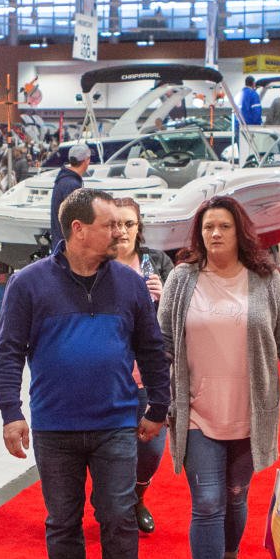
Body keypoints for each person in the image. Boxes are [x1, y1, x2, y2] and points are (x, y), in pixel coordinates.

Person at [0, 188, 169, 559]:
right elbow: (8, 352)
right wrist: (11, 413)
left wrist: (159, 406)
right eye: (110, 225)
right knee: (63, 523)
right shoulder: (29, 284)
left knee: (117, 517)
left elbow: (152, 348)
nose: (120, 233)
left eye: (121, 225)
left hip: (116, 422)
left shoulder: (130, 284)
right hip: (55, 428)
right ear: (78, 229)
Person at [158, 196, 280, 559]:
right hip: (196, 413)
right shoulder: (182, 279)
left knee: (235, 495)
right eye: (208, 227)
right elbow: (162, 341)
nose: (215, 234)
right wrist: (152, 398)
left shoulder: (266, 280)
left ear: (239, 231)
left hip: (251, 413)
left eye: (224, 226)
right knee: (207, 500)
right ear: (199, 233)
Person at [111, 197, 172, 534]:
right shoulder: (94, 264)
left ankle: (137, 499)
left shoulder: (158, 263)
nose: (121, 231)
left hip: (149, 377)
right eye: (115, 223)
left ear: (139, 227)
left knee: (150, 450)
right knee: (110, 452)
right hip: (105, 378)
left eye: (129, 224)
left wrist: (164, 297)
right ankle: (115, 506)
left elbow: (181, 314)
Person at [48, 143, 90, 253]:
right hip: (67, 249)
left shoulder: (63, 179)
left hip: (60, 245)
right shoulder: (72, 185)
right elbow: (74, 218)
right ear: (86, 161)